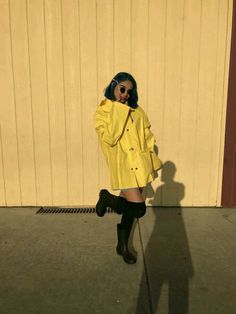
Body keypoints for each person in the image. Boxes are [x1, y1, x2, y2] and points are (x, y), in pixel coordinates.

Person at [93, 72, 162, 264]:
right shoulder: (103, 111)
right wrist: (118, 109)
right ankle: (106, 198)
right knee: (139, 209)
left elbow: (147, 136)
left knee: (130, 210)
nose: (125, 94)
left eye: (129, 92)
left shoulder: (137, 110)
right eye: (122, 89)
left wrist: (150, 160)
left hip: (140, 165)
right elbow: (110, 137)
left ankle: (122, 247)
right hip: (123, 166)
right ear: (113, 86)